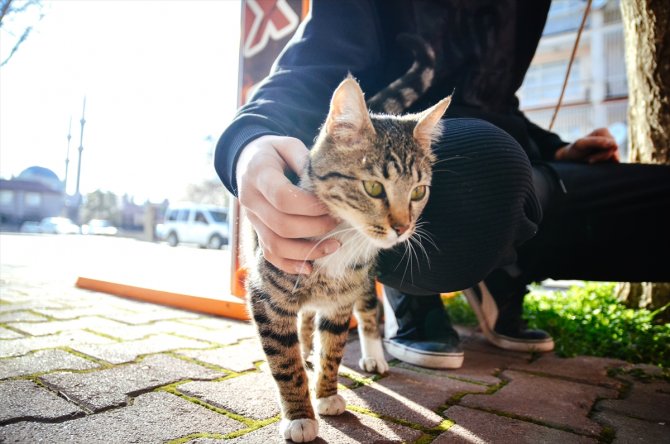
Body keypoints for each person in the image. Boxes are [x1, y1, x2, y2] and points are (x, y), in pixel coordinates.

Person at [215, 0, 670, 369]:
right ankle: (416, 294)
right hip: (433, 167)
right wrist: (249, 145)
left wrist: (554, 148)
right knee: (491, 168)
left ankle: (499, 261)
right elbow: (306, 73)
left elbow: (498, 101)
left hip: (500, 162)